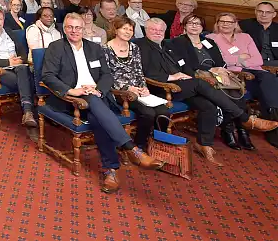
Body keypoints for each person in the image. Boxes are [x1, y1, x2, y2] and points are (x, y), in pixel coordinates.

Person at [41, 13, 163, 193]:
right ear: (64, 29)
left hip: (97, 97)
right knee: (95, 106)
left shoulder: (94, 48)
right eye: (69, 27)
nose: (74, 31)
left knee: (97, 116)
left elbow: (107, 75)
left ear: (83, 29)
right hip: (71, 100)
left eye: (78, 27)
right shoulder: (56, 47)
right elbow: (48, 76)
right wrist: (72, 91)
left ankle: (111, 170)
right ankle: (131, 150)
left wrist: (98, 90)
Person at [137, 18, 277, 164]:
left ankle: (204, 144)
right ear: (145, 30)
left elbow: (182, 64)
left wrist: (185, 74)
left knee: (208, 106)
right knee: (200, 83)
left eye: (160, 30)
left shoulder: (167, 45)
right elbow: (144, 72)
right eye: (153, 29)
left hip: (182, 85)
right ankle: (244, 118)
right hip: (161, 87)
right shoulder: (141, 46)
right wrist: (173, 76)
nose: (157, 32)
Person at [168, 14, 256, 151]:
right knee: (226, 96)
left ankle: (241, 131)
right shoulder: (178, 42)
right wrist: (211, 70)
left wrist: (221, 71)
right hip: (198, 77)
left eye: (198, 23)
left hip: (216, 75)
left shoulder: (208, 41)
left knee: (236, 94)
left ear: (202, 27)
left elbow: (220, 62)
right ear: (184, 26)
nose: (194, 26)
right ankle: (229, 131)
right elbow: (186, 66)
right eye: (190, 23)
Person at [102, 16, 167, 150]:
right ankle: (139, 146)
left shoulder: (134, 48)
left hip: (138, 90)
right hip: (119, 92)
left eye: (130, 30)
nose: (128, 32)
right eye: (124, 29)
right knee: (148, 113)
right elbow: (107, 76)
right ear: (116, 30)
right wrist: (128, 88)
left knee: (163, 111)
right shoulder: (105, 49)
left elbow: (139, 71)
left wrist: (143, 87)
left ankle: (158, 143)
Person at [207, 13, 278, 119]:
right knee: (262, 87)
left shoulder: (245, 37)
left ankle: (272, 113)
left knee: (269, 77)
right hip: (233, 73)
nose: (226, 24)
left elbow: (258, 60)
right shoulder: (210, 39)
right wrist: (241, 57)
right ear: (217, 24)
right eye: (222, 21)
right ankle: (271, 116)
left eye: (230, 22)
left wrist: (236, 60)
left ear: (235, 24)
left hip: (254, 70)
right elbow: (218, 60)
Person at [0, 8, 36, 124]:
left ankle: (28, 112)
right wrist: (8, 62)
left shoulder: (9, 32)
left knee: (23, 70)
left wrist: (21, 60)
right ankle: (29, 111)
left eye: (0, 19)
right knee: (28, 80)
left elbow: (22, 50)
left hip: (18, 67)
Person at [239, 2, 278, 67]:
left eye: (268, 12)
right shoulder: (244, 25)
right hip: (252, 62)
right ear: (255, 12)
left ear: (274, 14)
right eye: (260, 11)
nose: (264, 15)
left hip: (275, 62)